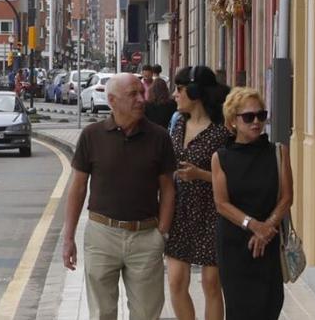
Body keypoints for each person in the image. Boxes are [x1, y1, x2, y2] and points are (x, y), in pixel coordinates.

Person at [62, 73, 176, 320]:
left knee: (147, 313)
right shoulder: (92, 135)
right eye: (133, 94)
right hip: (102, 235)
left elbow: (168, 188)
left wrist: (162, 233)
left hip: (146, 236)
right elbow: (78, 187)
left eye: (141, 92)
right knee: (102, 313)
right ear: (112, 100)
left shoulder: (159, 137)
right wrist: (68, 237)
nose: (141, 99)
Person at [213, 87, 292, 319]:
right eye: (249, 117)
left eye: (261, 115)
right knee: (239, 311)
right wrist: (254, 226)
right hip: (235, 246)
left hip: (269, 242)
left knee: (270, 305)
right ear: (233, 120)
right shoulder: (221, 157)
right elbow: (222, 204)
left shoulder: (278, 152)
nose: (256, 122)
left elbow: (287, 196)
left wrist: (267, 227)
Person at [165, 65, 233, 320]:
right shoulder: (178, 125)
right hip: (181, 211)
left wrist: (200, 175)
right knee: (175, 281)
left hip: (212, 213)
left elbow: (233, 179)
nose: (175, 94)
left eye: (179, 89)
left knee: (211, 283)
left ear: (194, 92)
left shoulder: (222, 131)